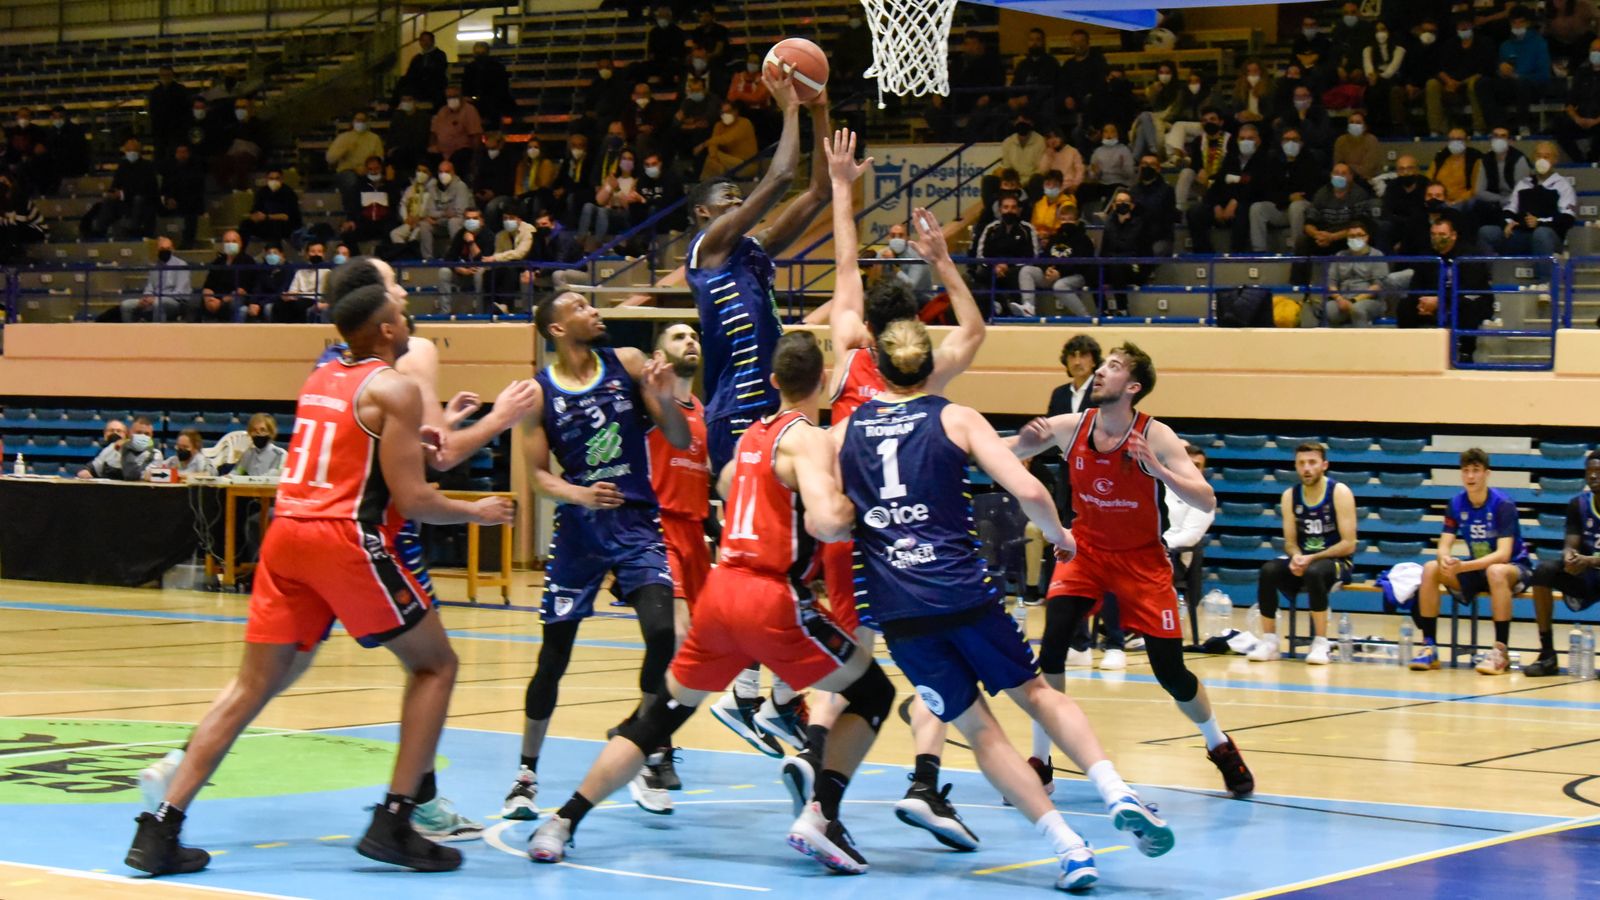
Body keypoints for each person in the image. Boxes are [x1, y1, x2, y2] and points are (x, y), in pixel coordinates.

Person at [122, 261, 516, 877]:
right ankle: (396, 818)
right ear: (386, 329)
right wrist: (481, 512)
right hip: (345, 540)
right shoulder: (397, 386)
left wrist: (426, 437)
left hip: (287, 536)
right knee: (437, 664)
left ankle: (160, 827)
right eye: (401, 312)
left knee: (251, 686)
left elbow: (356, 446)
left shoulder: (323, 373)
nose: (408, 316)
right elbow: (412, 501)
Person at [528, 331, 895, 875]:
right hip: (771, 599)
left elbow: (727, 483)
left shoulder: (752, 436)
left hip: (720, 596)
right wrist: (858, 514)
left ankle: (562, 820)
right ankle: (823, 816)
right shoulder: (809, 439)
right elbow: (824, 519)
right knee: (873, 692)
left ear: (774, 382)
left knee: (656, 720)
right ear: (822, 381)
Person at [840, 320, 1174, 891]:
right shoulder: (953, 415)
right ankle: (1115, 788)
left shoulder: (844, 430)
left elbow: (822, 516)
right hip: (960, 589)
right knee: (1037, 694)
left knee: (978, 728)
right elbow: (1028, 489)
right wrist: (1061, 535)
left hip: (898, 606)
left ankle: (1068, 849)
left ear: (876, 365)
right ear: (929, 365)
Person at [815, 136, 988, 847]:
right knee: (936, 656)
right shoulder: (920, 377)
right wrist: (945, 262)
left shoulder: (846, 353)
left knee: (845, 651)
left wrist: (841, 188)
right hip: (903, 532)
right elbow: (975, 330)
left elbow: (847, 265)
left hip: (839, 520)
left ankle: (810, 765)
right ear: (912, 333)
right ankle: (922, 779)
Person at [1009, 343, 1255, 798]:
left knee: (1172, 673)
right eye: (1103, 364)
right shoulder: (1071, 426)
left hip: (1142, 562)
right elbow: (1004, 451)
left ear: (1133, 386)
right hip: (1086, 553)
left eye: (1113, 367)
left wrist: (1158, 468)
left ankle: (1218, 743)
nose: (1101, 371)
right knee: (1053, 646)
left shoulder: (1156, 435)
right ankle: (1041, 761)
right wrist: (971, 441)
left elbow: (1206, 500)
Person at [501, 292, 689, 820]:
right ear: (557, 329)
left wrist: (664, 396)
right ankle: (525, 775)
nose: (593, 311)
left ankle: (645, 747)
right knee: (552, 658)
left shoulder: (626, 363)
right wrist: (579, 494)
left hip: (634, 524)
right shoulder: (538, 394)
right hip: (581, 530)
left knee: (663, 635)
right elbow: (537, 477)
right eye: (581, 306)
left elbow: (676, 438)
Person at [644, 68, 830, 475]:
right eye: (729, 198)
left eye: (740, 198)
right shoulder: (705, 250)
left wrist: (820, 108)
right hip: (736, 407)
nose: (739, 203)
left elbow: (820, 192)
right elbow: (780, 177)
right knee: (750, 524)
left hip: (774, 400)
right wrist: (790, 109)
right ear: (703, 212)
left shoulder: (754, 249)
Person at [1409, 449, 1533, 676]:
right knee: (1430, 568)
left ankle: (1500, 651)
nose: (1470, 476)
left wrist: (1464, 566)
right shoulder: (1456, 503)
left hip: (1514, 568)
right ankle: (1429, 646)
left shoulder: (1502, 504)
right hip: (1478, 567)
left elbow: (1503, 554)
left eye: (1476, 471)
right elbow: (1444, 543)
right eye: (1466, 471)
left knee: (1496, 571)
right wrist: (1444, 558)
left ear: (1487, 474)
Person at [1248, 443, 1358, 665]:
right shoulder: (1290, 496)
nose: (1306, 468)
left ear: (1324, 465)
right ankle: (1270, 641)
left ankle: (1320, 642)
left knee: (1315, 572)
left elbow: (1349, 544)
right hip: (1305, 561)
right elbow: (1290, 543)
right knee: (1268, 570)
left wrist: (1311, 558)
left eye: (1312, 462)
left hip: (1335, 562)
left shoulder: (1339, 492)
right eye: (1301, 463)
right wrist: (1297, 555)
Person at [1526, 451, 1600, 676]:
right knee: (1543, 571)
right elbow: (1571, 543)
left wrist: (1589, 560)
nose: (1593, 476)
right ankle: (1547, 654)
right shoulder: (1578, 504)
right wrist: (1570, 556)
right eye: (1589, 472)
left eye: (1598, 471)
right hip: (1586, 578)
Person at [1477, 142, 1576, 287]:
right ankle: (1490, 279)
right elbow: (1509, 209)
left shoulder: (1562, 185)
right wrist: (1507, 222)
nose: (1542, 160)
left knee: (1541, 234)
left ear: (1555, 159)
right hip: (1521, 235)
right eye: (1538, 155)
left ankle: (1545, 284)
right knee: (1486, 232)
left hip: (1548, 236)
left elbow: (1567, 219)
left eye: (1547, 156)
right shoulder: (1524, 184)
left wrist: (1540, 222)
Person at [1401, 218, 1496, 364]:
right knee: (1405, 306)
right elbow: (1416, 285)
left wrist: (1441, 301)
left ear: (1453, 235)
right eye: (1433, 234)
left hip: (1465, 299)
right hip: (1433, 300)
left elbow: (1470, 286)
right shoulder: (1426, 255)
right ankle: (1409, 352)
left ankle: (1466, 354)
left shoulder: (1469, 254)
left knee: (1468, 305)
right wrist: (1422, 301)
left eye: (1442, 234)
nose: (1437, 238)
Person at [1188, 124, 1267, 255]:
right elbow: (1217, 185)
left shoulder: (1265, 160)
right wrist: (1216, 205)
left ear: (1258, 140)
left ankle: (1236, 254)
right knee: (1195, 211)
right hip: (1224, 205)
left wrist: (1235, 201)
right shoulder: (1231, 159)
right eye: (1242, 138)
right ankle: (1204, 254)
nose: (1245, 142)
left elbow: (1258, 188)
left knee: (1243, 210)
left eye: (1250, 138)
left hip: (1247, 204)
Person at [1291, 162, 1375, 285]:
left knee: (1358, 234)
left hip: (1346, 236)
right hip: (1324, 235)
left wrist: (1333, 237)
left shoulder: (1359, 194)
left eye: (1343, 173)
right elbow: (1309, 223)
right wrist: (1317, 235)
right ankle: (1297, 286)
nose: (1339, 176)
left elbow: (1361, 225)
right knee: (1302, 241)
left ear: (1351, 177)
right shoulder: (1321, 193)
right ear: (1331, 175)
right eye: (1336, 173)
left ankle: (1356, 283)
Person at [1249, 127, 1327, 254]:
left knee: (1296, 207)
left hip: (1304, 206)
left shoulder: (1311, 161)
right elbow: (1269, 190)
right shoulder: (1274, 162)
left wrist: (1295, 197)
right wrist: (1288, 197)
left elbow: (1313, 189)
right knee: (1257, 208)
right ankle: (1259, 251)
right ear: (1281, 143)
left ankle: (1297, 250)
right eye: (1286, 140)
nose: (1290, 143)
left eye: (1294, 140)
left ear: (1301, 143)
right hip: (1281, 206)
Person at [1165, 443, 1213, 633]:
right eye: (1188, 464)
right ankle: (1117, 631)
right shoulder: (1160, 486)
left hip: (1176, 559)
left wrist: (1159, 545)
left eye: (1198, 466)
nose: (1192, 470)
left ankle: (1137, 629)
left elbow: (1190, 537)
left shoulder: (1204, 497)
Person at [1019, 203, 1095, 317]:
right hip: (1052, 274)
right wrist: (1046, 269)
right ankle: (1028, 308)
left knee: (1060, 286)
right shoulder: (1055, 237)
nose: (1066, 222)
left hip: (1076, 275)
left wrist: (1060, 273)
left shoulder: (1084, 239)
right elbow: (1044, 256)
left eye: (1070, 219)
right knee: (1027, 270)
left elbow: (1081, 263)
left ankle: (1085, 317)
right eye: (1063, 219)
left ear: (1077, 221)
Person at [1486, 7, 1551, 134]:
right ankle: (1497, 126)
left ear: (1528, 23)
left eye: (1521, 22)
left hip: (1533, 86)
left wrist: (1518, 76)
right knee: (1484, 84)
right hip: (1510, 85)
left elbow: (1544, 75)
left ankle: (1523, 125)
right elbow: (1499, 69)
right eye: (1514, 23)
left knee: (1521, 83)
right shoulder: (1505, 45)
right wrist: (1500, 70)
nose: (1517, 25)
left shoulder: (1539, 43)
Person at [972, 194, 1037, 318]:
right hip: (993, 269)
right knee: (980, 273)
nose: (1009, 211)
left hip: (1015, 270)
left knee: (1021, 273)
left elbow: (1032, 257)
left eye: (1013, 207)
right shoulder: (991, 229)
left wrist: (1008, 266)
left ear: (1018, 210)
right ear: (1000, 209)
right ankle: (992, 305)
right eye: (1006, 207)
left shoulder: (1027, 229)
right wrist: (996, 266)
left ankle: (1013, 309)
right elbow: (981, 255)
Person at [1428, 16, 1495, 136]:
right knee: (1432, 84)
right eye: (1460, 25)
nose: (1463, 28)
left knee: (1475, 84)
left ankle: (1478, 129)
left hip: (1472, 80)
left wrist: (1459, 83)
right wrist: (1449, 81)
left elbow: (1485, 70)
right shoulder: (1448, 45)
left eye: (1466, 25)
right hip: (1450, 82)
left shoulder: (1484, 43)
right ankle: (1436, 130)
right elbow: (1439, 68)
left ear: (1473, 25)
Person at [1324, 219, 1393, 327]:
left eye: (1359, 235)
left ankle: (1362, 342)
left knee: (1357, 309)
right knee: (1328, 309)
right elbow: (1331, 282)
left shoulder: (1376, 255)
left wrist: (1353, 301)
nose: (1355, 238)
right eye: (1351, 236)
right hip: (1342, 299)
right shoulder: (1339, 255)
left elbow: (1378, 285)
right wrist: (1339, 299)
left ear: (1367, 237)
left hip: (1370, 301)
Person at [87, 138, 160, 239]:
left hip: (143, 200)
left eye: (134, 150)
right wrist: (111, 192)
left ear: (139, 152)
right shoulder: (123, 166)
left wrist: (122, 194)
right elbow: (116, 184)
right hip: (124, 201)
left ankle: (133, 229)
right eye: (129, 151)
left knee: (138, 199)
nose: (131, 153)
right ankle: (99, 231)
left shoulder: (147, 166)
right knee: (108, 200)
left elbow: (146, 188)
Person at [117, 238, 191, 323]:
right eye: (162, 249)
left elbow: (180, 293)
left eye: (167, 249)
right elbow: (149, 287)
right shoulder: (155, 266)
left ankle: (157, 333)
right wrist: (146, 298)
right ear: (157, 250)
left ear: (172, 249)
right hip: (154, 299)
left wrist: (156, 298)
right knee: (126, 305)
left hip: (174, 302)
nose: (164, 252)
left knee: (157, 303)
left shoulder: (181, 265)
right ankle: (130, 334)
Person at [327, 113, 385, 217]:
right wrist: (344, 150)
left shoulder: (374, 138)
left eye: (363, 120)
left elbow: (379, 157)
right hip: (347, 170)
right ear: (353, 122)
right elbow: (330, 158)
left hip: (368, 169)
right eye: (358, 120)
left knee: (378, 179)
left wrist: (368, 168)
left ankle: (375, 213)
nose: (360, 123)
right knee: (351, 181)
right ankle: (351, 215)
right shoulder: (343, 137)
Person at [1363, 20, 1409, 136]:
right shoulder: (1368, 50)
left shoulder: (1399, 50)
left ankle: (1392, 129)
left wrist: (1377, 76)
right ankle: (1374, 128)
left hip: (1393, 81)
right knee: (1372, 90)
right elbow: (1368, 69)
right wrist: (1372, 76)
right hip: (1374, 82)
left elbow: (1391, 71)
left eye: (1383, 29)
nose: (1380, 33)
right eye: (1377, 30)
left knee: (1384, 88)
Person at [238, 169, 302, 251]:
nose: (274, 181)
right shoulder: (262, 192)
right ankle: (241, 252)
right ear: (267, 179)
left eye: (277, 178)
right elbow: (256, 210)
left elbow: (286, 216)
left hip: (285, 225)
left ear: (282, 179)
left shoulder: (289, 193)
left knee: (275, 227)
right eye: (271, 178)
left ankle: (275, 252)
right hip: (265, 223)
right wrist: (254, 216)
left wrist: (267, 217)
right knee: (245, 224)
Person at [420, 161, 472, 260]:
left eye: (447, 172)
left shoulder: (461, 186)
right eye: (441, 172)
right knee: (424, 224)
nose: (443, 175)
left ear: (453, 172)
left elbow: (459, 214)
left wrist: (437, 219)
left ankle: (458, 256)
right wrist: (444, 214)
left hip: (459, 224)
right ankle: (428, 258)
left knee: (454, 221)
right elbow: (429, 211)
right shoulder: (433, 187)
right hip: (441, 223)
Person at [430, 87, 484, 174]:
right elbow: (434, 132)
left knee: (460, 158)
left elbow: (476, 135)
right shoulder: (442, 111)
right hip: (442, 152)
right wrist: (432, 147)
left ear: (461, 96)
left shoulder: (469, 111)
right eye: (449, 97)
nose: (452, 99)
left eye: (454, 96)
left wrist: (476, 156)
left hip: (461, 152)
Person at [698, 101, 758, 179]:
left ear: (736, 111)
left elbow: (727, 138)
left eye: (728, 111)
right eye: (722, 113)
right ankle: (712, 180)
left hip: (747, 165)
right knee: (712, 156)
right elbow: (713, 144)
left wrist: (704, 144)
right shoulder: (719, 125)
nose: (725, 115)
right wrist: (714, 157)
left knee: (714, 155)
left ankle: (705, 181)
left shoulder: (745, 123)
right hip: (728, 163)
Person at [462, 41, 514, 129]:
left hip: (494, 101)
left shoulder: (497, 67)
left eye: (481, 53)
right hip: (479, 100)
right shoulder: (470, 68)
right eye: (478, 53)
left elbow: (502, 87)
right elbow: (466, 85)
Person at [399, 30, 449, 108]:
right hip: (419, 87)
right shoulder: (417, 58)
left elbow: (438, 72)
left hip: (434, 86)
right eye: (423, 40)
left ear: (432, 41)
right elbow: (410, 74)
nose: (425, 43)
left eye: (427, 40)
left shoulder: (440, 55)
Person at [1333, 111, 1381, 182]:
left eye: (1358, 123)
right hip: (1344, 179)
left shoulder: (1372, 140)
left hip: (1367, 180)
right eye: (1351, 122)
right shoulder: (1340, 140)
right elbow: (1337, 166)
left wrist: (1348, 166)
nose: (1354, 125)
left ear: (1365, 126)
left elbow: (1367, 170)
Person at [151, 429, 218, 479]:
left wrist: (183, 476)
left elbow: (212, 474)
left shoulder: (202, 461)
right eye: (179, 446)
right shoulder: (173, 460)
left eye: (186, 447)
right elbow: (153, 473)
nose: (181, 450)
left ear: (195, 448)